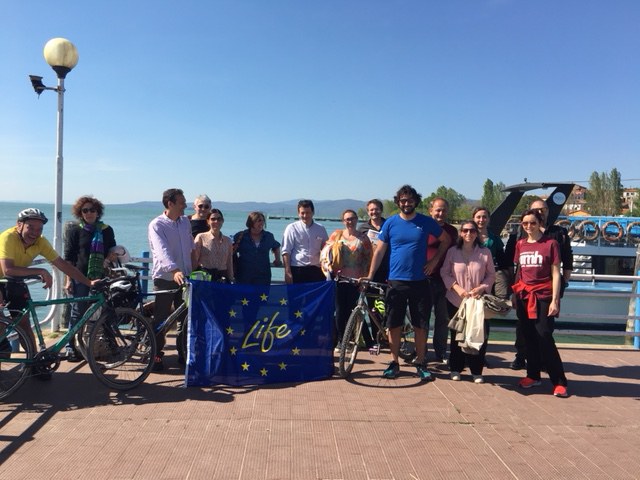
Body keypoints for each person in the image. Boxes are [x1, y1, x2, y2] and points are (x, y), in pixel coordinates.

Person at [362, 185, 450, 381]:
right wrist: (370, 275)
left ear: (415, 202)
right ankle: (394, 362)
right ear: (398, 202)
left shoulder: (425, 222)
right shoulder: (391, 223)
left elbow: (446, 239)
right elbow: (379, 251)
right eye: (403, 200)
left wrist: (434, 261)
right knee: (394, 325)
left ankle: (420, 362)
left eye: (410, 200)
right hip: (395, 281)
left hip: (419, 282)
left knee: (420, 325)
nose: (406, 203)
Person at [0, 208, 96, 373]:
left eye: (39, 229)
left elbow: (63, 264)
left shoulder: (41, 241)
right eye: (30, 227)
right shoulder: (8, 237)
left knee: (23, 322)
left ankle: (34, 363)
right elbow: (7, 269)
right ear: (19, 225)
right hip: (7, 275)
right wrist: (41, 271)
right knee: (0, 323)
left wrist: (88, 282)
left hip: (15, 280)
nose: (35, 233)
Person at [506, 198, 573, 370]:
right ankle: (522, 356)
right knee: (523, 326)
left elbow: (566, 257)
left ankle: (545, 362)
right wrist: (513, 290)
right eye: (536, 210)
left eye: (542, 210)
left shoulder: (557, 233)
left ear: (548, 211)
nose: (540, 213)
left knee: (544, 329)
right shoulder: (521, 235)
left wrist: (564, 280)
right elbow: (515, 264)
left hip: (548, 290)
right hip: (525, 290)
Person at [512, 209, 569, 397]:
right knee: (528, 336)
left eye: (532, 223)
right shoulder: (520, 244)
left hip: (543, 295)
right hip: (524, 295)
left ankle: (559, 381)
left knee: (544, 335)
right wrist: (514, 294)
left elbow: (555, 273)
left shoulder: (550, 244)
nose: (529, 226)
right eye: (525, 223)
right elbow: (519, 270)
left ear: (539, 223)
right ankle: (533, 375)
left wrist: (555, 300)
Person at [440, 220, 495, 383]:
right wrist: (456, 288)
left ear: (476, 233)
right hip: (456, 300)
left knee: (479, 335)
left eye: (472, 231)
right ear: (461, 233)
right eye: (465, 231)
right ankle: (456, 368)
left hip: (478, 301)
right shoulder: (452, 252)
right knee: (457, 335)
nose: (468, 234)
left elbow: (491, 274)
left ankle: (476, 370)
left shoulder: (485, 252)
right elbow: (445, 272)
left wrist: (482, 288)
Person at [63, 196, 117, 361]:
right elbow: (69, 258)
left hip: (102, 277)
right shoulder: (75, 231)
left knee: (105, 311)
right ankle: (70, 346)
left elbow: (113, 249)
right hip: (80, 276)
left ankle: (106, 343)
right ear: (80, 213)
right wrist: (68, 280)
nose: (89, 213)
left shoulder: (106, 230)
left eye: (92, 210)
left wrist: (110, 257)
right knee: (77, 312)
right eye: (85, 210)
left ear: (98, 212)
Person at [148, 188, 195, 371]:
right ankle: (156, 354)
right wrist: (174, 270)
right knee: (162, 317)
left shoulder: (184, 223)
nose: (185, 205)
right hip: (166, 277)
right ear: (170, 204)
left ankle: (183, 354)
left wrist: (192, 268)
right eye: (182, 202)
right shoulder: (157, 225)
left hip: (185, 277)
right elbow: (161, 251)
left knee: (185, 317)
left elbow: (190, 245)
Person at [327, 209, 372, 347]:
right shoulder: (336, 235)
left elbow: (368, 260)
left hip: (357, 281)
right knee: (340, 310)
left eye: (352, 218)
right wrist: (328, 267)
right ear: (343, 221)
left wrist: (365, 279)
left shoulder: (364, 239)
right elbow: (325, 253)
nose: (350, 221)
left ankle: (363, 340)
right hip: (340, 279)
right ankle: (342, 340)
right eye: (347, 219)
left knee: (355, 310)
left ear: (357, 219)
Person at [427, 197, 458, 364]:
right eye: (437, 210)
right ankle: (421, 351)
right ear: (430, 211)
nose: (441, 213)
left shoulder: (452, 231)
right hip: (426, 279)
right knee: (423, 317)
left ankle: (440, 352)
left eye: (444, 210)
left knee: (443, 318)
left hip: (445, 281)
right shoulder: (424, 228)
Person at [357, 199, 390, 344]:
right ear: (367, 211)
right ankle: (376, 336)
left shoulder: (388, 225)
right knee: (373, 305)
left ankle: (389, 335)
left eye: (376, 209)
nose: (374, 212)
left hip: (388, 269)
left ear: (381, 210)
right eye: (371, 210)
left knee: (388, 305)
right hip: (370, 270)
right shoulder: (363, 228)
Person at [281, 199, 328, 284]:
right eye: (302, 213)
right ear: (298, 213)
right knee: (295, 297)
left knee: (315, 297)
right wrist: (287, 272)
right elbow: (286, 251)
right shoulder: (291, 228)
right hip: (297, 269)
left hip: (316, 271)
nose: (305, 215)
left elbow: (326, 250)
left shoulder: (321, 229)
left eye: (308, 212)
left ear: (313, 212)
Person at [233, 212, 281, 285]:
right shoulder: (240, 236)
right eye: (259, 220)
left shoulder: (268, 236)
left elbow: (276, 246)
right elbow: (232, 251)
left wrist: (277, 259)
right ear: (251, 222)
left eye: (263, 220)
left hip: (263, 277)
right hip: (243, 277)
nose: (262, 223)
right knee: (243, 296)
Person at [192, 209, 234, 282]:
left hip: (222, 278)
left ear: (222, 221)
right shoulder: (201, 237)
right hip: (205, 278)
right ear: (208, 221)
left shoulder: (228, 241)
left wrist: (231, 279)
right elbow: (194, 260)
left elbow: (229, 262)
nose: (216, 221)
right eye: (213, 219)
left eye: (219, 219)